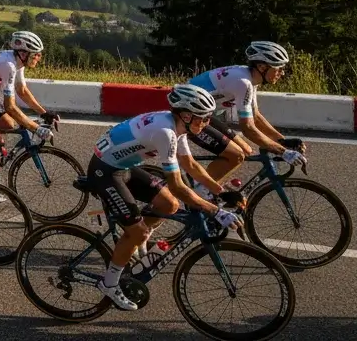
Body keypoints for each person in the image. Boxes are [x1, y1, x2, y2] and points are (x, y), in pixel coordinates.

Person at [88, 85, 245, 310]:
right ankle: (110, 283)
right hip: (105, 171)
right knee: (139, 231)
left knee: (169, 204)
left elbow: (190, 165)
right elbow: (178, 186)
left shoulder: (177, 126)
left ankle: (131, 236)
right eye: (203, 118)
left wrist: (220, 192)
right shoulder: (165, 132)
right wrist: (215, 210)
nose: (207, 123)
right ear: (187, 116)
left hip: (124, 167)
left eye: (209, 117)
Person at [185, 41, 307, 192]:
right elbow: (248, 128)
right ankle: (200, 192)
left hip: (201, 114)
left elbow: (255, 116)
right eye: (279, 68)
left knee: (246, 150)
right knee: (236, 155)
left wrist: (282, 141)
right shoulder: (243, 83)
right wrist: (283, 152)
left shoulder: (251, 79)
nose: (282, 73)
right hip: (186, 117)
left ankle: (207, 187)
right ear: (262, 67)